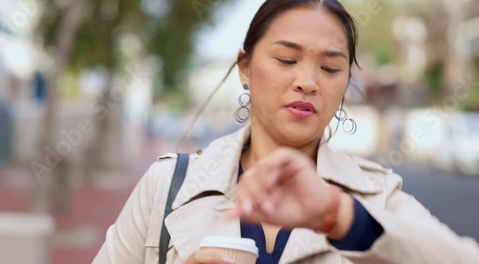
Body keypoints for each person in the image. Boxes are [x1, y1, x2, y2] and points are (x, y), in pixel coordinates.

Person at [93, 0, 479, 263]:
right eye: (286, 59)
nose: (308, 82)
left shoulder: (376, 194)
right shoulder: (168, 185)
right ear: (244, 66)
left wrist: (339, 216)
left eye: (330, 69)